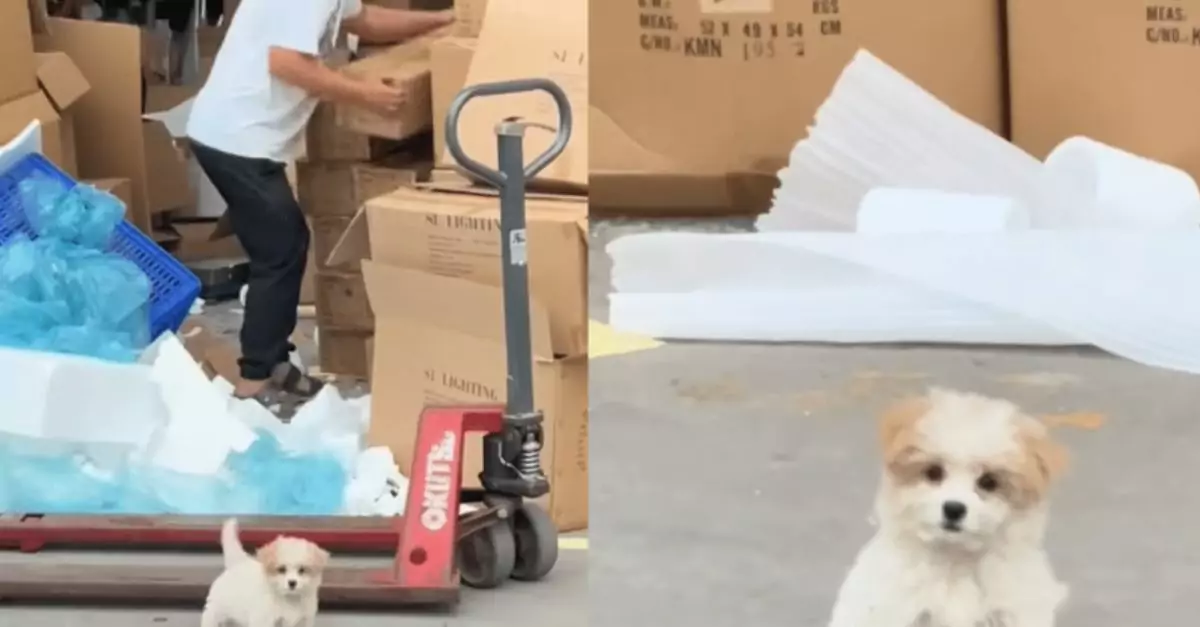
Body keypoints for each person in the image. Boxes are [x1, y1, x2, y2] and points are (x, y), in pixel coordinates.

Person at [185, 0, 453, 408]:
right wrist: (364, 94)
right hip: (235, 139)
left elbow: (364, 20)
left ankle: (271, 363)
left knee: (284, 245)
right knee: (280, 249)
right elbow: (286, 63)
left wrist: (442, 20)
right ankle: (255, 380)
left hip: (247, 139)